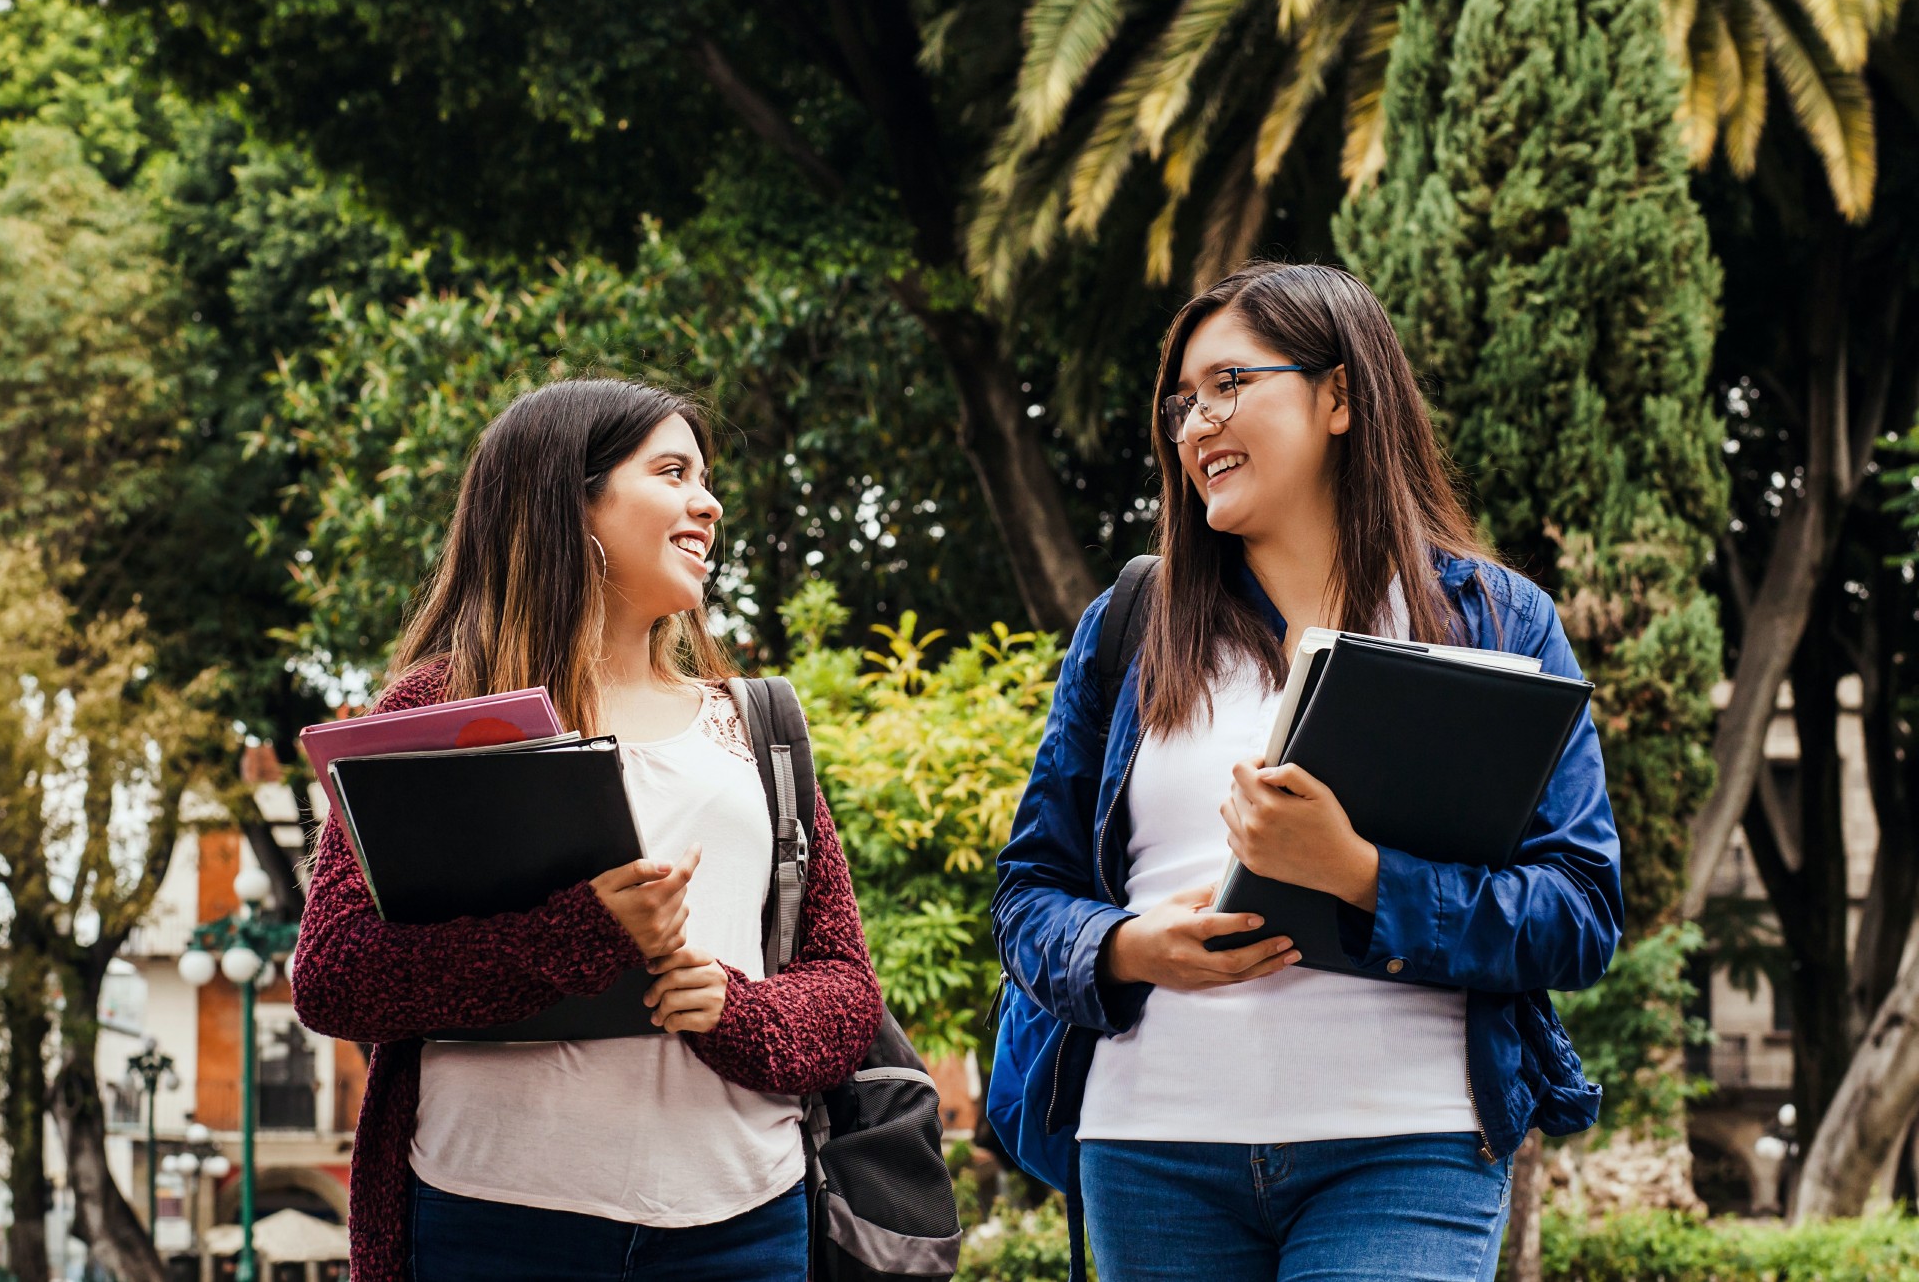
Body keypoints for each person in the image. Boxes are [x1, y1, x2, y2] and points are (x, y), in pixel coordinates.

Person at [991, 262, 1621, 1280]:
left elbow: (1580, 911)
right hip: (1151, 1148)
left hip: (1408, 1142)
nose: (1195, 423)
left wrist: (1359, 874)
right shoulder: (1130, 627)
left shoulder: (1493, 622)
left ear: (1338, 395)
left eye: (1229, 383)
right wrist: (1130, 947)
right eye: (1181, 401)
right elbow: (1027, 894)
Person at [290, 378, 882, 1282]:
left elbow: (845, 990)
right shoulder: (440, 711)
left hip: (743, 1227)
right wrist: (584, 934)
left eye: (706, 476)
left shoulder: (754, 724)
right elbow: (336, 976)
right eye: (673, 471)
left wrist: (735, 1010)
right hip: (491, 1221)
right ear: (572, 502)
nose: (709, 502)